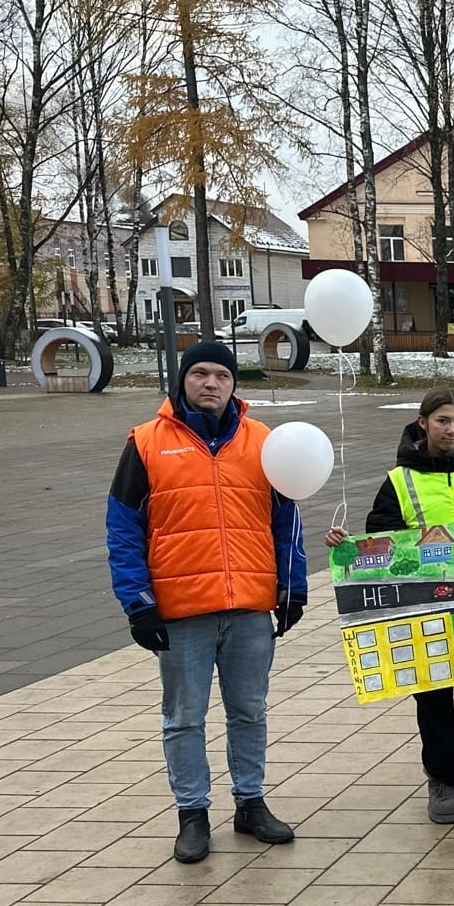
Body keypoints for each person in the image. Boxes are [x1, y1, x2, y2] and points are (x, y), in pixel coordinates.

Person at [107, 341, 305, 864]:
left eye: (221, 375)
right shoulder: (146, 444)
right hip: (180, 611)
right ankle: (191, 813)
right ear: (183, 380)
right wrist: (138, 602)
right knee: (184, 717)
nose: (211, 383)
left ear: (234, 383)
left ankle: (250, 802)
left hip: (248, 608)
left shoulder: (264, 442)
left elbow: (287, 522)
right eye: (199, 374)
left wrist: (294, 587)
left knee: (249, 711)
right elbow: (122, 529)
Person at [327, 388, 454, 824]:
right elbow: (381, 542)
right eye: (443, 421)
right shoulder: (399, 481)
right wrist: (346, 547)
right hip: (424, 609)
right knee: (431, 694)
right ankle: (442, 779)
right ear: (422, 423)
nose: (451, 430)